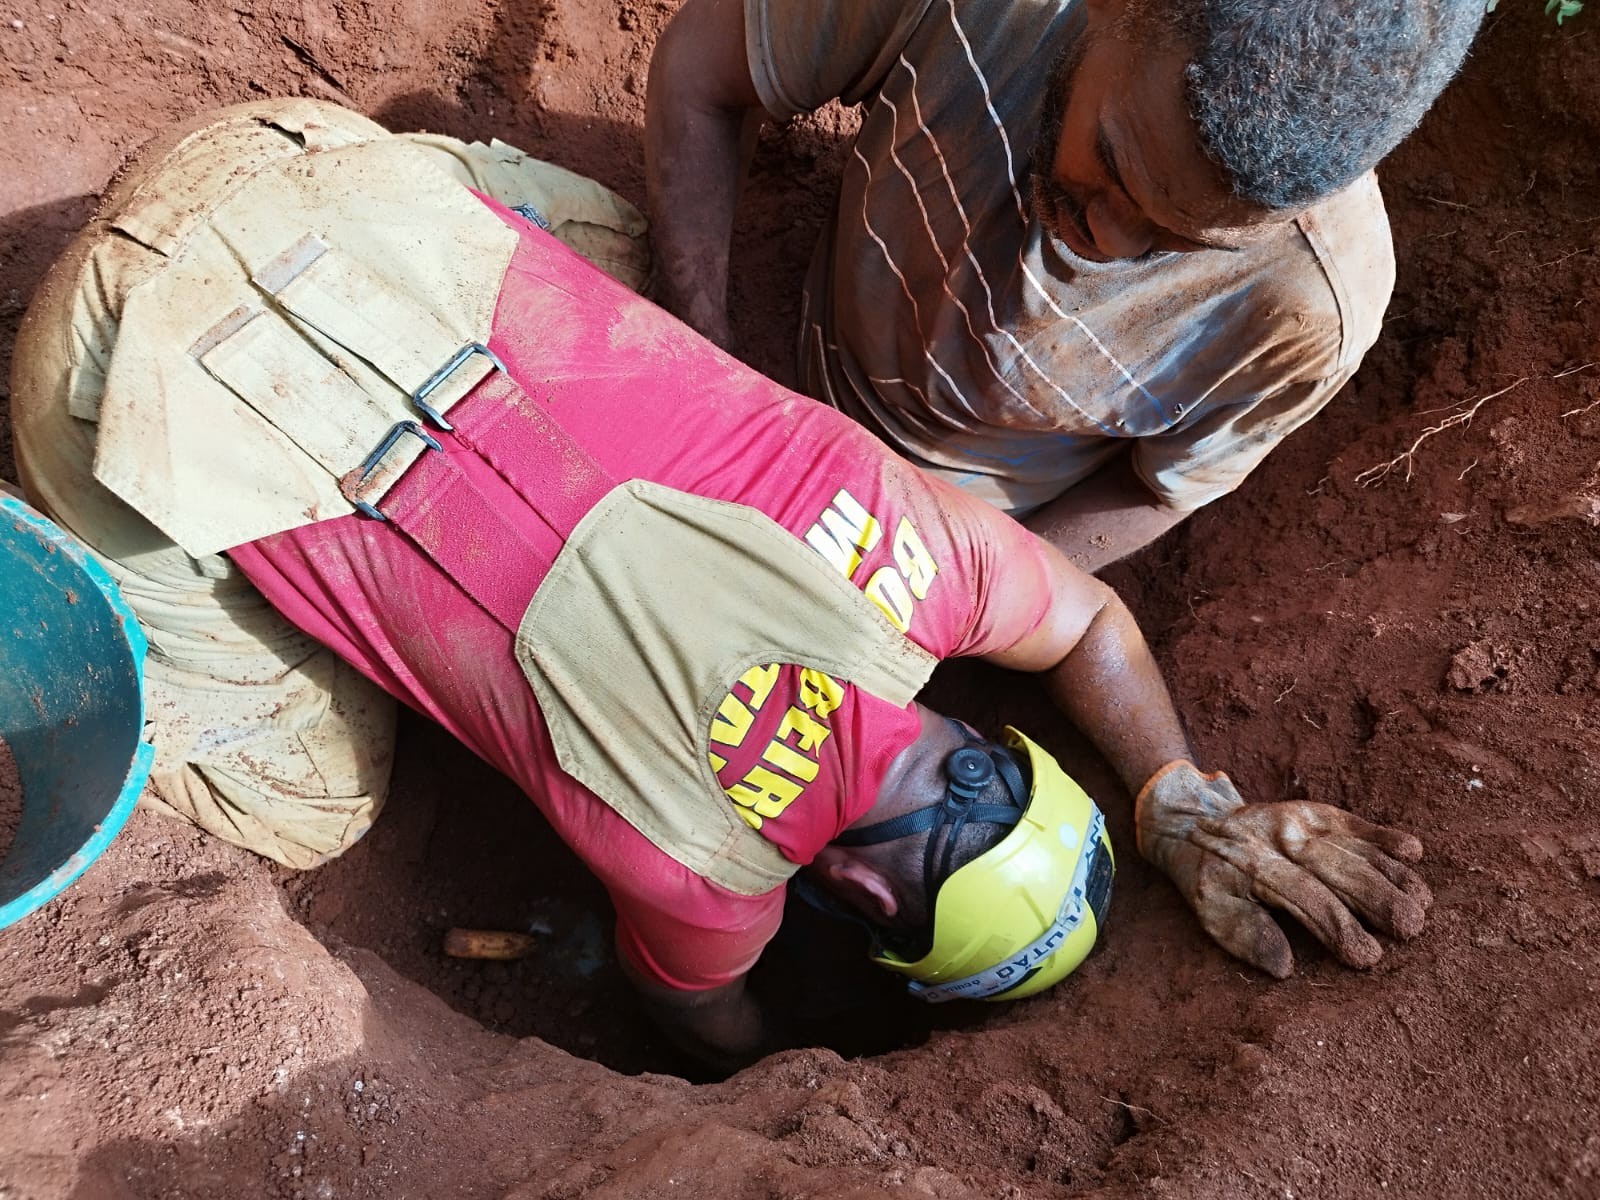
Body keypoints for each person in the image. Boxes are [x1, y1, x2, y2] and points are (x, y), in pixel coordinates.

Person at [10, 100, 1430, 1067]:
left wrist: (1177, 795)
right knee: (310, 809)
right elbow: (707, 1029)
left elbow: (1092, 620)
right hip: (102, 371)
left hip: (308, 164)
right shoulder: (703, 887)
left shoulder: (925, 559)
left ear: (989, 744)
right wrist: (765, 1048)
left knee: (618, 253)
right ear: (869, 910)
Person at [644, 0, 1484, 570]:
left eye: (1180, 243)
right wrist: (703, 361)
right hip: (781, 352)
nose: (1109, 244)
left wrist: (955, 590)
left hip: (936, 540)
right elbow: (701, 77)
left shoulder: (1315, 302)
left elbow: (1156, 489)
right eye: (1115, 167)